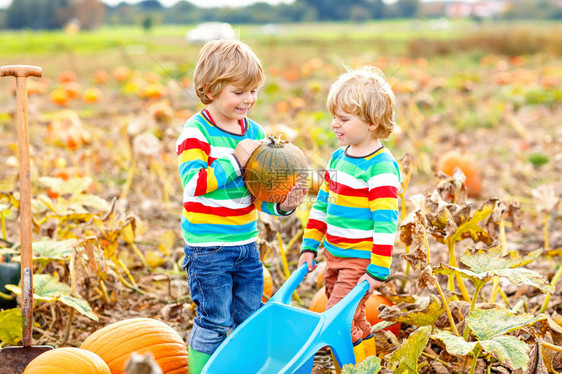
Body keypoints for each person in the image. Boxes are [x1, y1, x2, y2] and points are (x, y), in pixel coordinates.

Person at [176, 39, 307, 374]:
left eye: (254, 91)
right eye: (239, 92)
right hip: (209, 250)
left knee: (249, 317)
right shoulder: (196, 132)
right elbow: (195, 185)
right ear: (210, 89)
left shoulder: (256, 133)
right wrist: (237, 159)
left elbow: (259, 195)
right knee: (214, 320)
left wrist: (284, 206)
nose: (248, 99)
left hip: (247, 245)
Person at [298, 66, 401, 365]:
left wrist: (378, 270)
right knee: (350, 320)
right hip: (333, 254)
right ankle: (360, 365)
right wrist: (309, 245)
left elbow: (385, 224)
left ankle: (357, 367)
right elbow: (322, 205)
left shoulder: (380, 167)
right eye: (334, 117)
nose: (334, 125)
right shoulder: (338, 158)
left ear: (373, 122)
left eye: (343, 119)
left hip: (359, 261)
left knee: (338, 319)